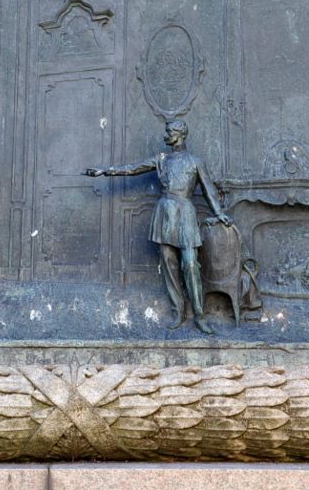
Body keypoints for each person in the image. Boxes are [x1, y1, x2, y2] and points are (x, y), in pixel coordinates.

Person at [86, 119, 231, 334]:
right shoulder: (162, 159)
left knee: (190, 265)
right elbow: (134, 168)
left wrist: (219, 213)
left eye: (170, 131)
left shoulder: (194, 161)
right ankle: (178, 310)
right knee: (169, 263)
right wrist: (106, 171)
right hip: (165, 212)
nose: (166, 136)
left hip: (185, 211)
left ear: (180, 134)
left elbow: (208, 189)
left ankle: (200, 316)